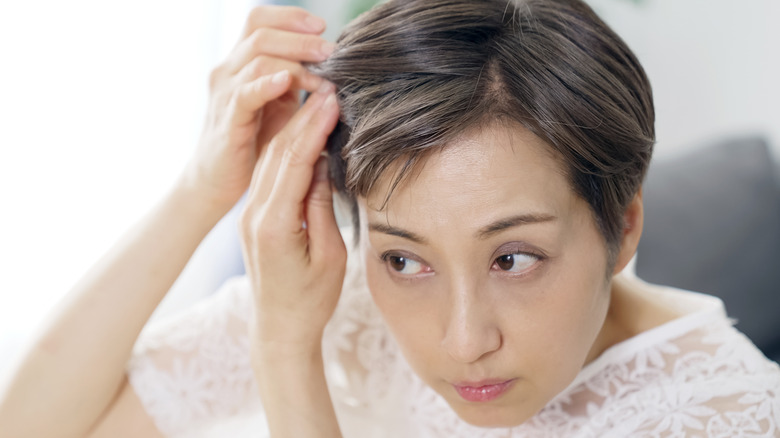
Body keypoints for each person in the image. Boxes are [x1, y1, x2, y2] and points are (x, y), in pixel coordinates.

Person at [1, 0, 779, 437]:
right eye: (406, 258)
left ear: (625, 226)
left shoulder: (726, 415)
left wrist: (286, 358)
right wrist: (203, 190)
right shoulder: (341, 298)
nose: (463, 340)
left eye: (513, 258)